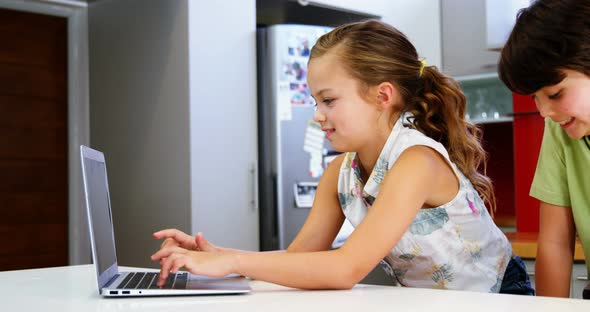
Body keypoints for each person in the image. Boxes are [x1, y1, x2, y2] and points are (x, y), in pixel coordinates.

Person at [151, 20, 533, 294]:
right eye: (316, 101)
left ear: (383, 96)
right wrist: (218, 255)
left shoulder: (416, 161)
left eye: (329, 100)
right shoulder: (340, 172)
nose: (317, 115)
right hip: (434, 302)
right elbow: (299, 259)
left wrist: (233, 263)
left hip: (498, 296)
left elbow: (344, 268)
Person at [498, 0, 590, 298]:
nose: (544, 112)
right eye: (535, 99)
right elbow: (555, 243)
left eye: (554, 94)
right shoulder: (561, 129)